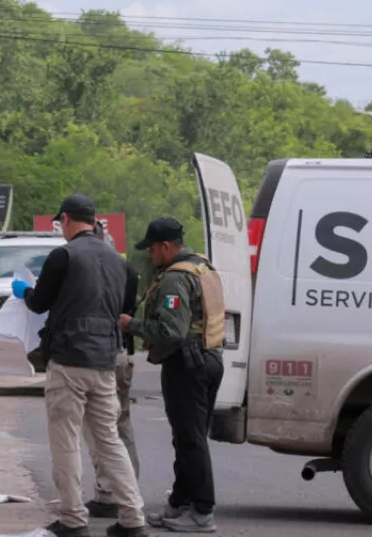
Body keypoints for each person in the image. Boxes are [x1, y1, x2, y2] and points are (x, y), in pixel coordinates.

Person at [13, 194, 148, 537]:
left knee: (66, 439)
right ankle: (133, 519)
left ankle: (73, 519)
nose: (61, 228)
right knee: (109, 440)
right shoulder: (120, 263)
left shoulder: (64, 255)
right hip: (106, 361)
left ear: (68, 220)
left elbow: (40, 303)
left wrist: (25, 292)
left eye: (61, 223)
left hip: (70, 359)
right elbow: (124, 308)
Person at [121, 218, 227, 533]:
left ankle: (202, 512)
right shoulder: (203, 267)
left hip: (187, 365)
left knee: (191, 440)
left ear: (166, 246)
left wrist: (132, 325)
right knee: (186, 437)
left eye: (152, 249)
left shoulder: (175, 279)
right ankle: (180, 503)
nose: (150, 256)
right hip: (209, 359)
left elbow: (171, 332)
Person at [85, 224, 142, 520]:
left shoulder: (84, 268)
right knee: (122, 423)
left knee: (100, 427)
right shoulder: (127, 269)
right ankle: (129, 489)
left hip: (97, 353)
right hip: (123, 352)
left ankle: (108, 494)